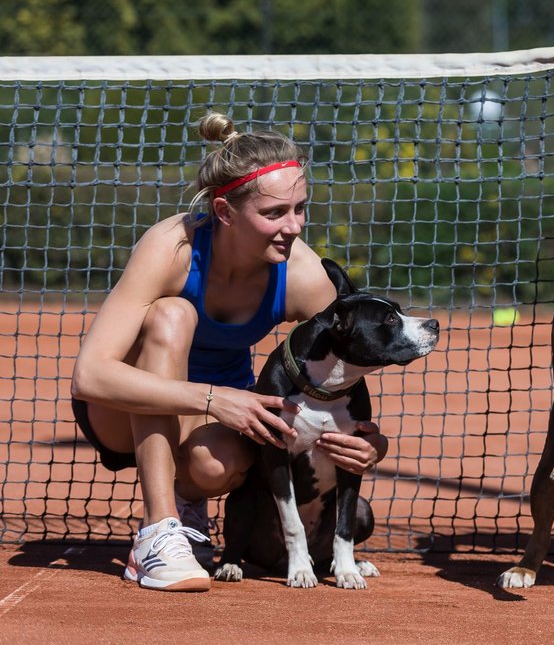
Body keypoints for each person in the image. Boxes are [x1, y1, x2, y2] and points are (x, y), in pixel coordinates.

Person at [70, 112, 389, 592]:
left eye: (301, 208)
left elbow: (339, 374)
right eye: (275, 213)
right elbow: (90, 376)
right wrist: (213, 398)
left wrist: (372, 445)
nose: (295, 226)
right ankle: (158, 534)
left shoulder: (303, 275)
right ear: (224, 212)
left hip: (213, 413)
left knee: (217, 465)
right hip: (120, 408)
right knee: (173, 315)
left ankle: (188, 504)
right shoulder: (172, 246)